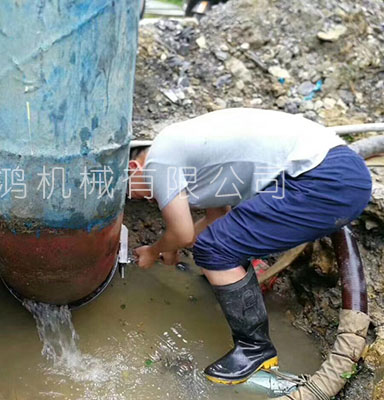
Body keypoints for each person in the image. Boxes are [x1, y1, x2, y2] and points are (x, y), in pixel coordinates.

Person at [129, 108, 372, 385]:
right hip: (338, 175)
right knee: (220, 242)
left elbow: (183, 234)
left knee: (214, 249)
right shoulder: (188, 158)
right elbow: (215, 219)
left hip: (323, 181)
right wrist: (168, 246)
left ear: (134, 168)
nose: (141, 199)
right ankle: (232, 294)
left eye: (131, 193)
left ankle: (255, 349)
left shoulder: (159, 159)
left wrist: (153, 251)